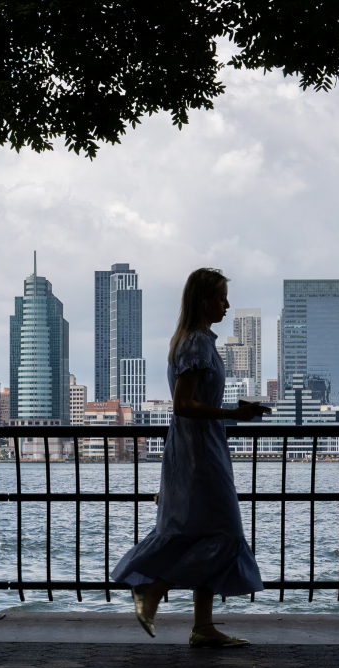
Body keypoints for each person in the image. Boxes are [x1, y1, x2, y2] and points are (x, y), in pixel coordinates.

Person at [111, 267, 264, 648]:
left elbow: (192, 402)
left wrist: (229, 412)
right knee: (226, 535)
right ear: (203, 300)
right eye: (222, 297)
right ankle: (154, 590)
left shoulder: (196, 341)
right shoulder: (196, 343)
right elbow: (183, 405)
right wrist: (234, 414)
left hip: (196, 445)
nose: (227, 305)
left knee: (195, 531)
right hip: (200, 449)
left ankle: (203, 627)